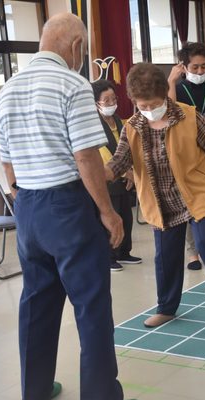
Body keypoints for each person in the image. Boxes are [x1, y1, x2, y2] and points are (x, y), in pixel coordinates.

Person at [0, 13, 142, 400]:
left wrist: (28, 198)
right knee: (91, 305)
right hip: (68, 207)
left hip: (27, 206)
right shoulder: (72, 84)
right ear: (76, 46)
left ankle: (34, 393)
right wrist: (109, 213)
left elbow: (6, 163)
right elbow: (86, 157)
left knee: (36, 302)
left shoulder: (7, 89)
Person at [105, 62, 205, 328]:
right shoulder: (133, 127)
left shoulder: (189, 116)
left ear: (164, 94)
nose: (148, 110)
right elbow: (119, 162)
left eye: (153, 104)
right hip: (160, 201)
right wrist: (98, 174)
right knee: (166, 256)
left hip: (197, 194)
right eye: (142, 105)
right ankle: (167, 308)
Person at [167, 42, 205, 271]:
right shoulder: (178, 88)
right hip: (187, 154)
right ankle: (193, 253)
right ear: (183, 66)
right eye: (195, 67)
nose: (200, 72)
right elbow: (170, 112)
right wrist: (171, 80)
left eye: (204, 67)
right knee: (190, 202)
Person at [92, 79, 143, 272]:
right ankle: (109, 256)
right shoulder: (94, 125)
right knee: (110, 216)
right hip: (107, 177)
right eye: (107, 100)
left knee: (126, 217)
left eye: (114, 98)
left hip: (125, 177)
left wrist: (130, 171)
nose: (112, 103)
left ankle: (124, 252)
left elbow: (129, 147)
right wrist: (124, 170)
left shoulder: (121, 122)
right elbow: (102, 153)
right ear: (96, 103)